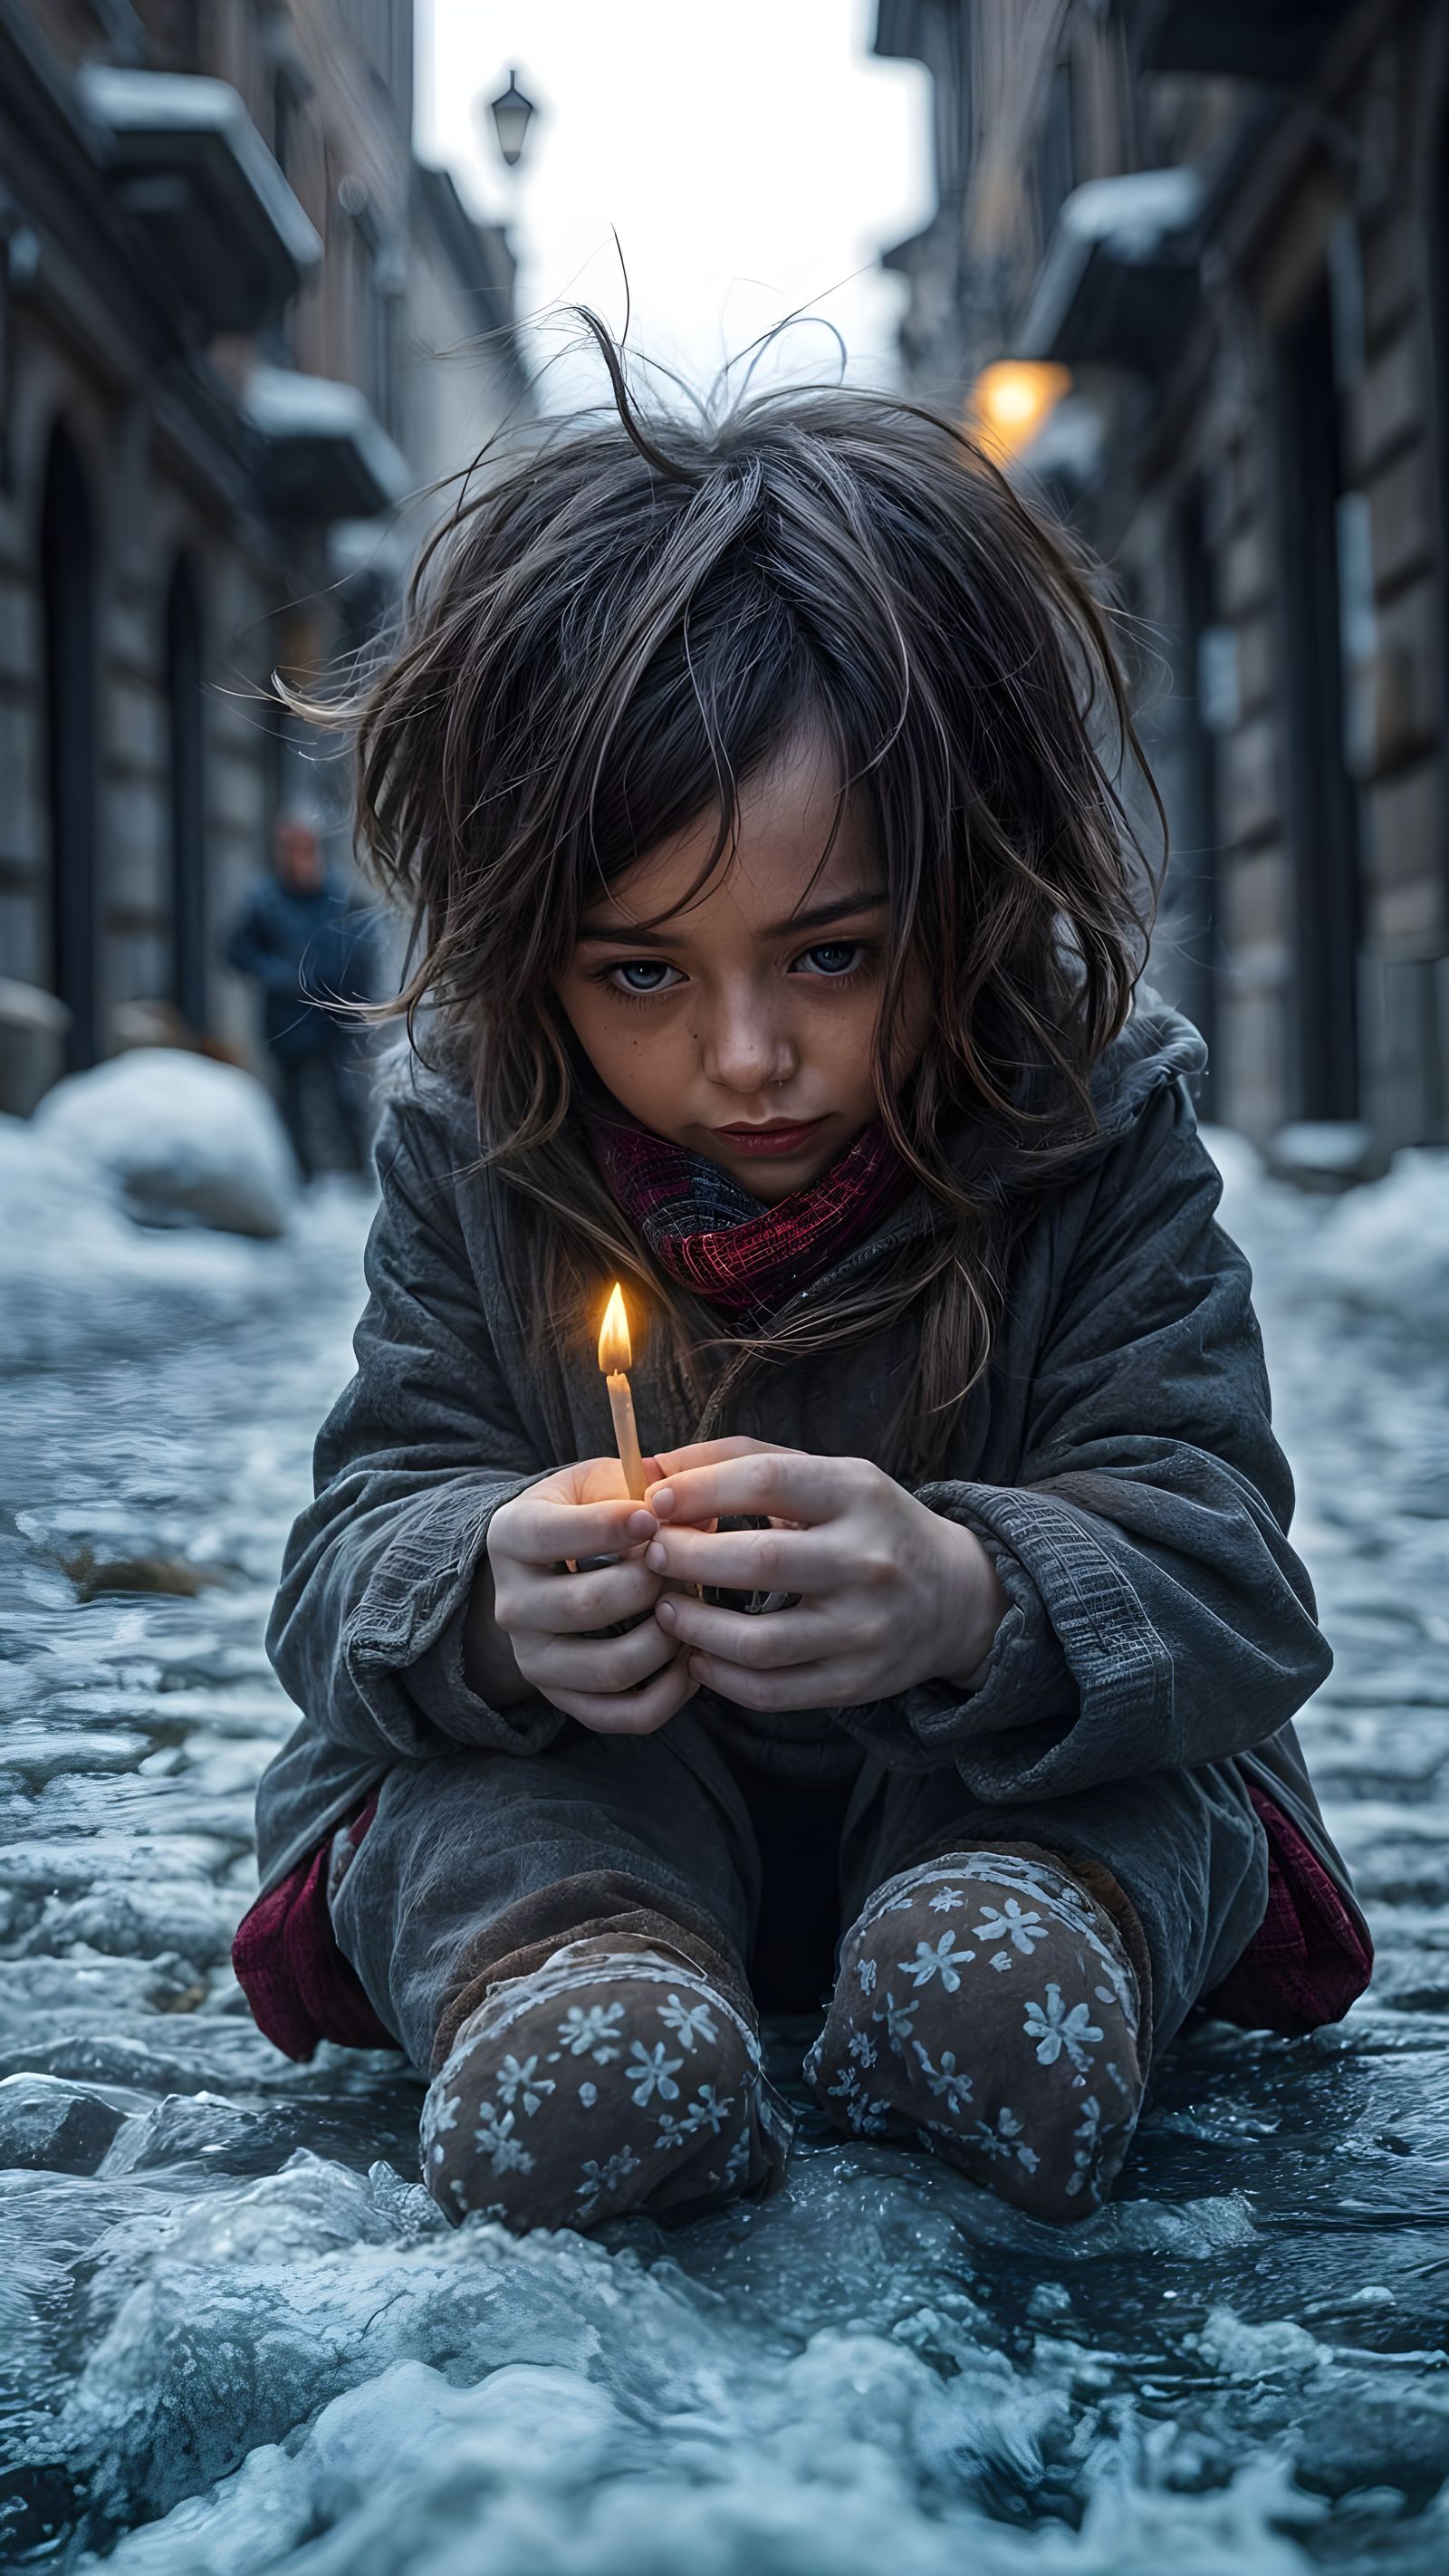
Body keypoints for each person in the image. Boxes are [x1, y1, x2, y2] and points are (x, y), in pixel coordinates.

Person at [233, 335, 1371, 2234]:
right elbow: (348, 1555)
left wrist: (965, 1594)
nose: (746, 1058)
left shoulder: (1093, 1130)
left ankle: (1007, 1965)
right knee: (468, 1810)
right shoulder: (479, 1146)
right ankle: (579, 1995)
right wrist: (488, 1597)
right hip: (584, 1795)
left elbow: (1228, 1585)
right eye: (642, 974)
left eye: (830, 955)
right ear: (530, 953)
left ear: (972, 886)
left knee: (1129, 1798)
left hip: (1014, 1791)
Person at [226, 811, 376, 1177]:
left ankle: (354, 1174)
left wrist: (355, 1000)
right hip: (286, 1021)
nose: (299, 860)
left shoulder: (339, 896)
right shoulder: (265, 900)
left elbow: (364, 952)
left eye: (305, 850)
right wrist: (278, 975)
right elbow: (236, 951)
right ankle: (301, 1176)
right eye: (291, 850)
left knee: (344, 1098)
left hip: (334, 1020)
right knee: (291, 1105)